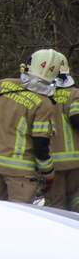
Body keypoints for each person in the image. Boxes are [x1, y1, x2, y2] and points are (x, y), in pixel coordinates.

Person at [0, 48, 60, 203]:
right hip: (21, 175)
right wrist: (48, 173)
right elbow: (41, 144)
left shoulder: (1, 86)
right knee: (18, 220)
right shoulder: (44, 104)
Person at [47, 58, 79, 211]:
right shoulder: (75, 94)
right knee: (76, 199)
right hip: (76, 160)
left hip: (53, 162)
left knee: (56, 205)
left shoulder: (45, 98)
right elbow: (76, 120)